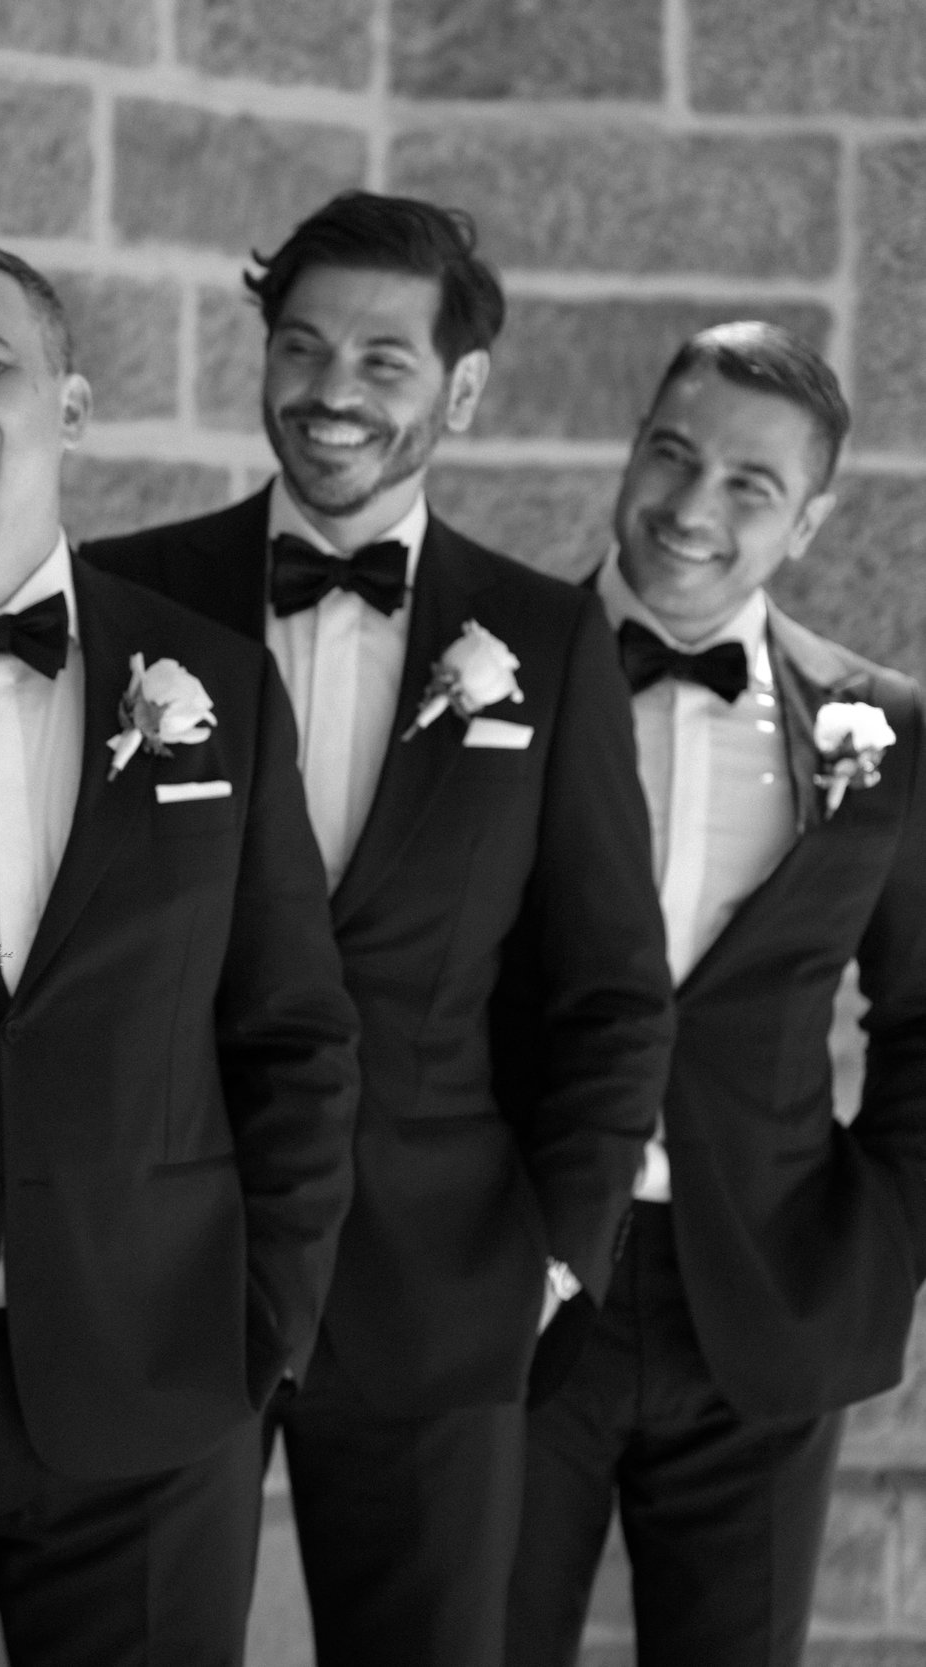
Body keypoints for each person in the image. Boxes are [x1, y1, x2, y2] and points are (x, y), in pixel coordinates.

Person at [80, 190, 674, 1667]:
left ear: (463, 386)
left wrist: (554, 1258)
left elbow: (611, 988)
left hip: (444, 1289)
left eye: (383, 360)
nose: (331, 392)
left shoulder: (546, 638)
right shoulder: (126, 598)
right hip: (170, 1266)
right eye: (301, 347)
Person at [0, 236, 360, 1667]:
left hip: (163, 1377)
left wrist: (267, 1339)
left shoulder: (214, 678)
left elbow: (292, 1031)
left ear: (68, 405)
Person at [504, 324, 926, 1667]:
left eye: (750, 484)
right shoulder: (489, 684)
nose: (691, 508)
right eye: (671, 454)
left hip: (769, 1297)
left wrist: (885, 1241)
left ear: (809, 522)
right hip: (514, 1279)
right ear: (630, 453)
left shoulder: (887, 732)